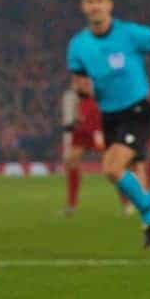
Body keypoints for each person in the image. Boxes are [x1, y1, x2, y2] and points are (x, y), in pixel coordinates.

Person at [66, 0, 150, 258]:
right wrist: (81, 89)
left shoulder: (131, 34)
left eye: (99, 0)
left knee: (111, 168)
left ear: (109, 4)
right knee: (130, 180)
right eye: (89, 1)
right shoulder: (77, 45)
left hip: (137, 112)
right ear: (83, 7)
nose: (95, 5)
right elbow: (79, 80)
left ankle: (149, 219)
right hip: (109, 116)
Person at [61, 83, 104, 216]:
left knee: (114, 165)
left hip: (95, 119)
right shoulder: (77, 88)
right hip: (82, 122)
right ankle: (72, 205)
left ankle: (128, 202)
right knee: (71, 161)